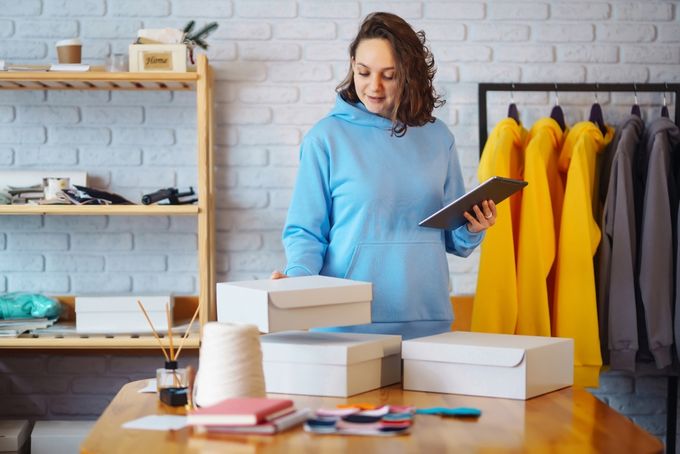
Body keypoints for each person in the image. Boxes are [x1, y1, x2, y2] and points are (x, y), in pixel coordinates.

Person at [272, 12, 496, 340]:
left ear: (409, 75)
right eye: (363, 72)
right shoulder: (326, 138)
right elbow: (305, 231)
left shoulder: (438, 138)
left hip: (427, 318)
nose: (373, 87)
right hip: (344, 319)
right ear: (352, 65)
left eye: (389, 76)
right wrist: (297, 281)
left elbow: (453, 238)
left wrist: (474, 228)